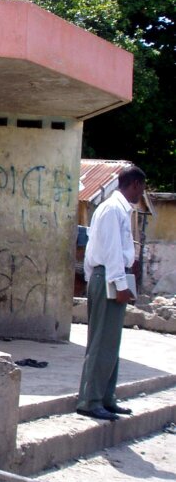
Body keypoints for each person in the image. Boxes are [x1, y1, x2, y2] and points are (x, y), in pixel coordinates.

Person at [76, 165, 146, 421]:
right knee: (101, 342)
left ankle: (106, 397)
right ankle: (90, 400)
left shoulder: (119, 210)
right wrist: (119, 284)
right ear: (135, 184)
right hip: (108, 276)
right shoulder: (112, 209)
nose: (142, 193)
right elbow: (111, 251)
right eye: (142, 187)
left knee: (111, 342)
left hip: (111, 276)